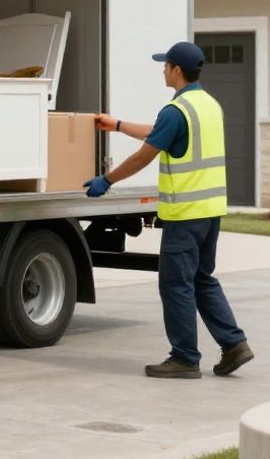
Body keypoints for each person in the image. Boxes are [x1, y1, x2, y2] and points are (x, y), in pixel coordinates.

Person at [82, 41, 253, 380]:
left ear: (177, 70)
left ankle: (185, 358)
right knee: (203, 279)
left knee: (176, 284)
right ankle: (234, 345)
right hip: (210, 211)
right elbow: (159, 134)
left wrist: (108, 179)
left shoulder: (176, 111)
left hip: (185, 214)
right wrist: (117, 125)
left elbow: (146, 154)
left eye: (166, 65)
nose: (162, 69)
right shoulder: (207, 105)